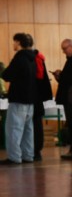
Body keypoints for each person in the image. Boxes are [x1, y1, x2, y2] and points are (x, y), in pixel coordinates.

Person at [1, 33, 37, 165]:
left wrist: (3, 70)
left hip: (18, 98)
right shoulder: (33, 58)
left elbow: (7, 75)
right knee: (28, 130)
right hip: (30, 100)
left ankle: (14, 157)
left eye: (14, 42)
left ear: (18, 42)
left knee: (14, 129)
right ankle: (28, 155)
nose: (13, 44)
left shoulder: (19, 57)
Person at [31, 36, 54, 161]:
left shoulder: (35, 59)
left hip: (34, 96)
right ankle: (36, 150)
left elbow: (39, 77)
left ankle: (35, 150)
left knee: (35, 125)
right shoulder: (39, 58)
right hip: (38, 97)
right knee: (37, 124)